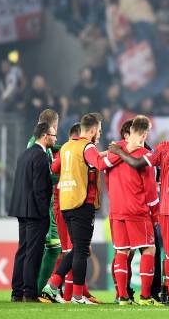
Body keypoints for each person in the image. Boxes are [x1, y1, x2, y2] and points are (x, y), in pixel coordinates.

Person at [110, 115, 169, 307]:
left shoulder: (164, 147)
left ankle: (162, 293)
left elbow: (137, 163)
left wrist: (118, 150)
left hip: (166, 207)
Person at [42, 113, 108, 304]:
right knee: (81, 250)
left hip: (65, 203)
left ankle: (54, 285)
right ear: (93, 130)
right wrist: (118, 154)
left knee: (77, 249)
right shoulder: (88, 146)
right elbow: (100, 163)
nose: (100, 134)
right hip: (82, 203)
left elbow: (54, 168)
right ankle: (76, 295)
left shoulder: (67, 146)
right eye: (100, 131)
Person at [104, 116, 161, 306]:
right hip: (137, 210)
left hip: (116, 209)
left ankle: (122, 297)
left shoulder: (113, 152)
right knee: (149, 249)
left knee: (121, 251)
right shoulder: (145, 155)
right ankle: (145, 297)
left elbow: (105, 177)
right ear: (145, 133)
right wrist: (155, 214)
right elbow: (151, 191)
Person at [8, 122, 56, 303]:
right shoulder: (41, 157)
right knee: (33, 253)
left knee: (22, 251)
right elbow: (40, 189)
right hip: (35, 212)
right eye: (53, 135)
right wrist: (45, 213)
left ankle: (16, 292)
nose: (55, 139)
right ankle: (29, 293)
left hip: (21, 210)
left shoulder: (24, 154)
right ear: (45, 136)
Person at [26, 109, 62, 298]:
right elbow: (43, 177)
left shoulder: (39, 144)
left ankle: (33, 289)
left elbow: (57, 148)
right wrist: (64, 178)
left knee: (50, 246)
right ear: (53, 127)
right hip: (42, 204)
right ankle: (37, 291)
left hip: (45, 202)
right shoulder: (37, 147)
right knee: (52, 247)